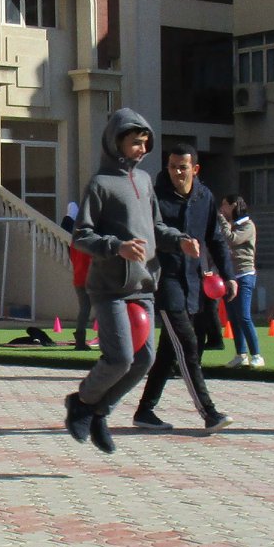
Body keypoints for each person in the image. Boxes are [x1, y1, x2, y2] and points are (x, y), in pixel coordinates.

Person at [65, 110, 200, 454]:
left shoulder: (144, 181)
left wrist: (179, 241)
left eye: (145, 143)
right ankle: (81, 402)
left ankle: (99, 412)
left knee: (143, 361)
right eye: (136, 142)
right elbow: (81, 236)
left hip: (144, 287)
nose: (142, 149)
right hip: (109, 288)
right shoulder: (100, 184)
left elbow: (156, 228)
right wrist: (116, 247)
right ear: (117, 142)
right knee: (120, 358)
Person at [135, 140, 234, 434]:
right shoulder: (155, 197)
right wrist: (178, 242)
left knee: (169, 350)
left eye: (183, 167)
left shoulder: (205, 197)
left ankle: (144, 411)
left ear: (195, 169)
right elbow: (150, 232)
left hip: (194, 282)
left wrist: (229, 275)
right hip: (164, 281)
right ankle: (209, 413)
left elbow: (215, 238)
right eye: (172, 167)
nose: (177, 172)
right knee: (188, 344)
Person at [223, 195, 262, 367]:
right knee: (233, 317)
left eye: (224, 205)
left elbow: (232, 239)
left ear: (234, 206)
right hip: (230, 277)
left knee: (244, 316)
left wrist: (222, 222)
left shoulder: (247, 225)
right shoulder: (231, 225)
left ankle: (257, 355)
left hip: (245, 275)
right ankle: (241, 354)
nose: (222, 209)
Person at [61, 201, 92, 350]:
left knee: (84, 310)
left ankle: (80, 338)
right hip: (91, 278)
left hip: (79, 278)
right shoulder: (90, 241)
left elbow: (72, 258)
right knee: (104, 308)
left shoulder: (75, 242)